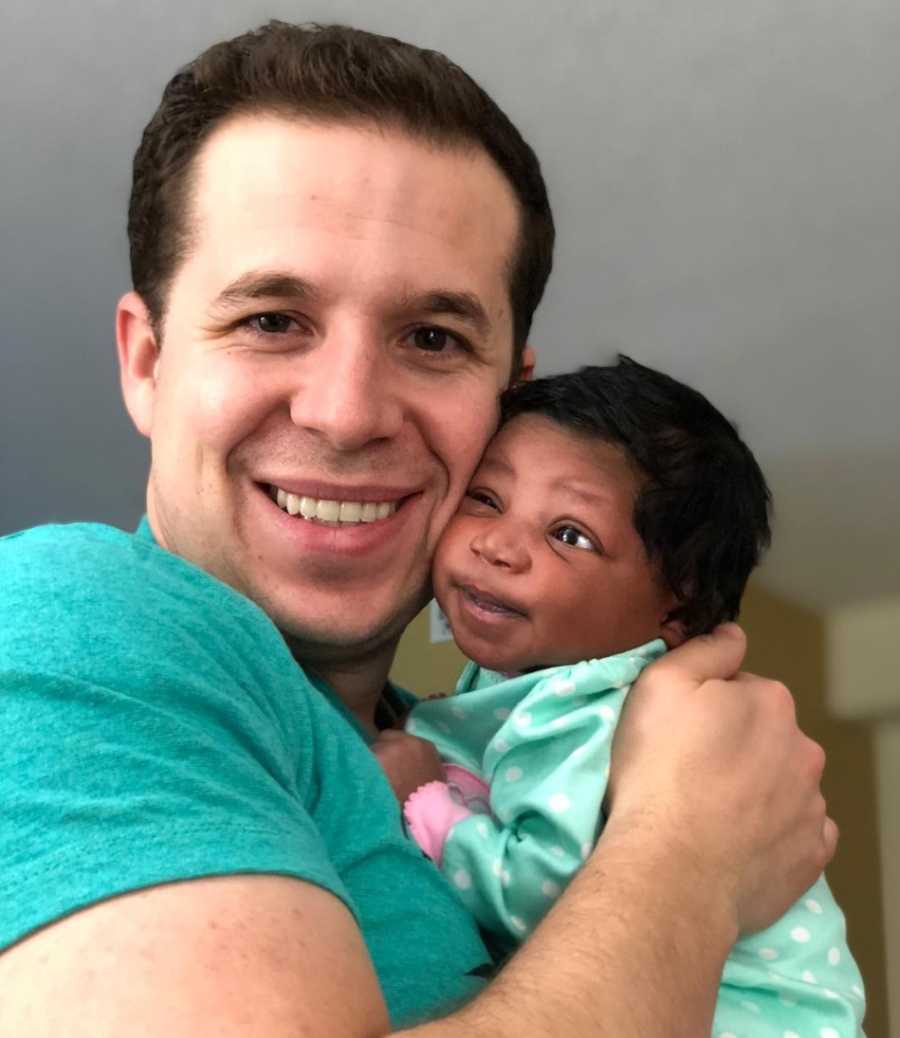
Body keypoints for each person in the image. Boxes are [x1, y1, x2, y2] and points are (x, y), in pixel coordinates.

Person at [0, 21, 836, 1037]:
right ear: (147, 361)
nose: (348, 413)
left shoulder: (460, 747)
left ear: (509, 404)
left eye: (432, 338)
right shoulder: (72, 627)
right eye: (272, 320)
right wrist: (689, 862)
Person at [394, 358, 865, 1035]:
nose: (499, 545)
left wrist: (427, 801)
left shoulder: (590, 709)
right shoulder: (538, 681)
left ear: (676, 614)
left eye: (569, 535)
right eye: (487, 499)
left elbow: (541, 896)